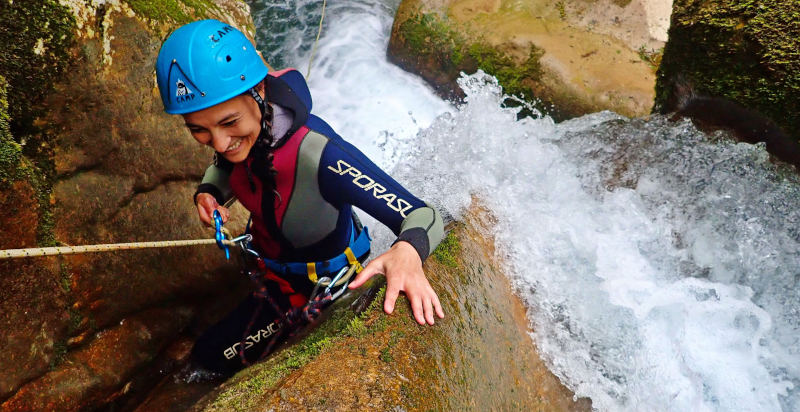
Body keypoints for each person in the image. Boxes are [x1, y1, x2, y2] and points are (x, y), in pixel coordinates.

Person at [155, 19, 444, 374]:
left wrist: (407, 251)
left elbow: (423, 215)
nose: (219, 143)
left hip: (314, 286)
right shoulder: (248, 132)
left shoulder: (322, 155)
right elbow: (225, 163)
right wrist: (211, 191)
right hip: (271, 263)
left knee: (207, 359)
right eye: (198, 130)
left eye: (229, 123)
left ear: (259, 90)